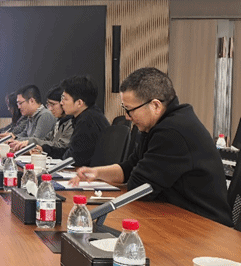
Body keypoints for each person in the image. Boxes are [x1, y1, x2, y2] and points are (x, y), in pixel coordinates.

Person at [73, 67, 232, 226]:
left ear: (155, 106)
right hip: (178, 215)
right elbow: (130, 167)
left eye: (130, 110)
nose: (127, 117)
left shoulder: (173, 131)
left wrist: (130, 176)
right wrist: (96, 172)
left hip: (205, 225)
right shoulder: (157, 125)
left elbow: (139, 187)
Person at [37, 75, 109, 166]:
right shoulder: (89, 114)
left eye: (65, 99)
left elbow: (74, 158)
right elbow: (71, 151)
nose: (61, 103)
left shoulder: (87, 121)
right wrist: (44, 149)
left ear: (79, 103)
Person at [9, 84, 73, 152]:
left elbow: (60, 145)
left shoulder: (46, 115)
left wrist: (26, 141)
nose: (50, 109)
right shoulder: (59, 122)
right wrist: (16, 138)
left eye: (53, 104)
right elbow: (46, 140)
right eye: (48, 104)